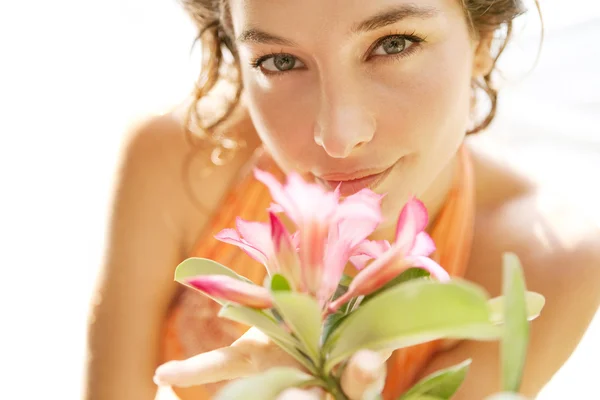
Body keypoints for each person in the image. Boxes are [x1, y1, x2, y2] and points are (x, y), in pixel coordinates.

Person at [84, 0, 600, 399]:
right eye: (280, 60)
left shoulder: (547, 262)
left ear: (483, 37)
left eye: (394, 44)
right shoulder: (178, 164)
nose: (337, 135)